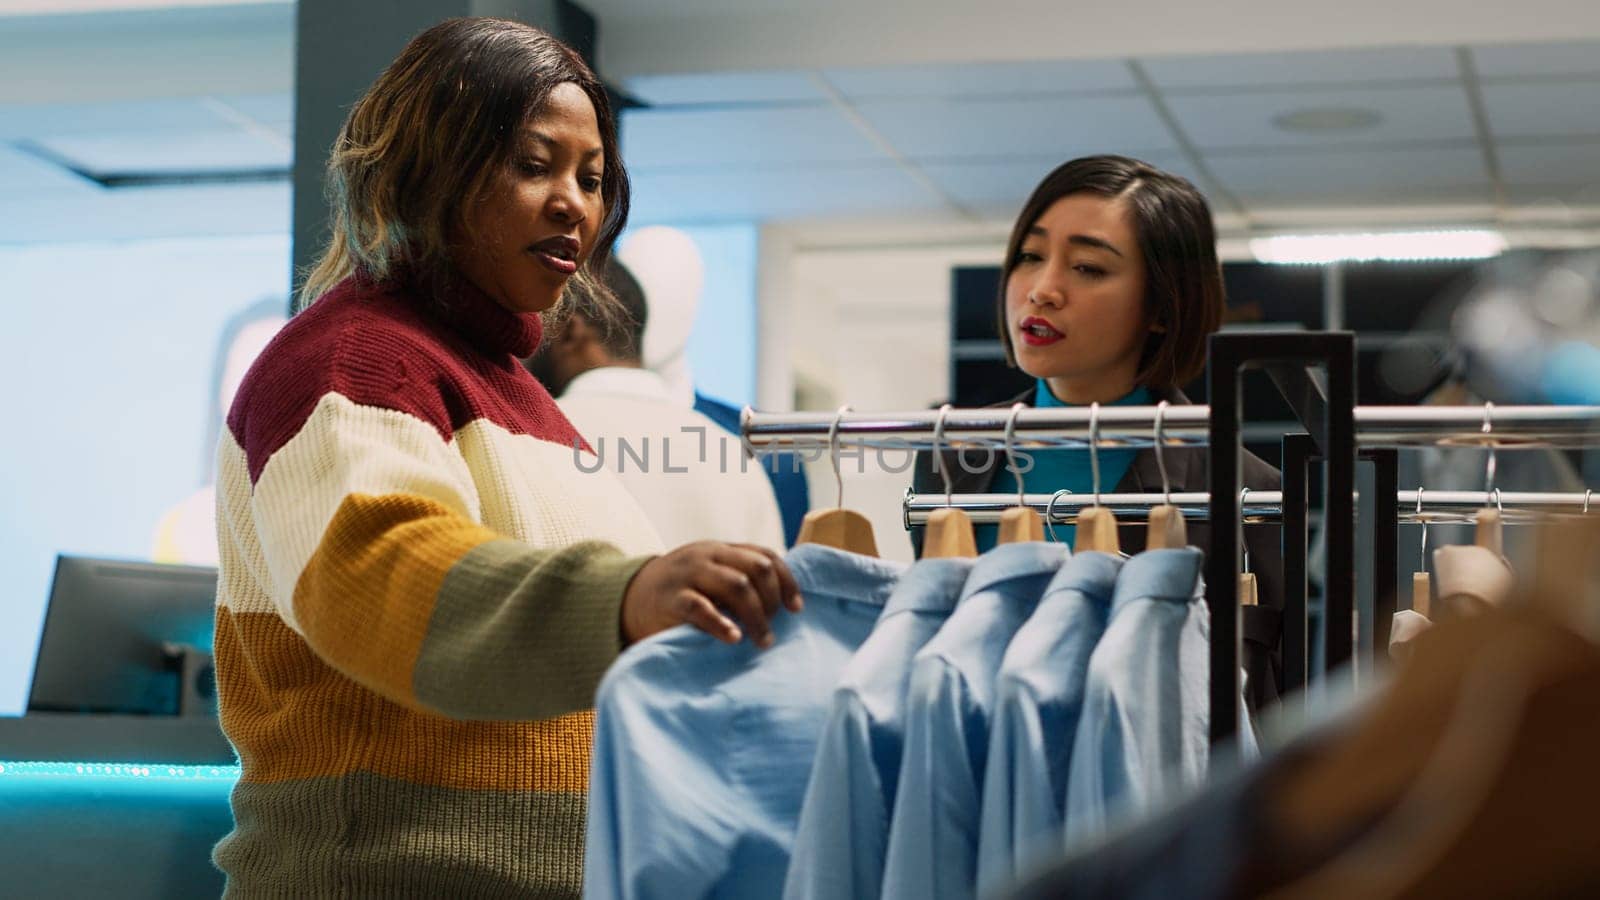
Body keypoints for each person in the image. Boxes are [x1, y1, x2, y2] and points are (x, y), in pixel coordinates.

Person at [210, 18, 800, 898]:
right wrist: (627, 596)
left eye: (592, 178)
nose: (576, 203)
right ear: (431, 165)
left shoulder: (512, 392)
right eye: (534, 164)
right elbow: (385, 576)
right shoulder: (354, 360)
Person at [911, 155, 1285, 709]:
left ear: (1161, 305)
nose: (1042, 289)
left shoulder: (1241, 486)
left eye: (1087, 267)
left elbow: (1257, 702)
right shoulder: (954, 456)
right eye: (1030, 257)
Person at [526, 258, 786, 551]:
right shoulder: (732, 452)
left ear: (568, 329)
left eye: (533, 326)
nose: (524, 347)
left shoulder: (537, 439)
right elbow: (773, 588)